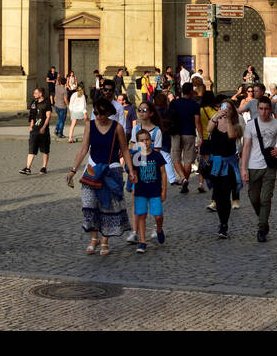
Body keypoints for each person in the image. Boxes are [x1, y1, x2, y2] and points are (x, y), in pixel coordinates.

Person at [67, 99, 135, 255]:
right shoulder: (90, 125)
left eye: (102, 113)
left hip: (111, 170)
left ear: (109, 113)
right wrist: (73, 170)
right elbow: (83, 148)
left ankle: (104, 240)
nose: (98, 116)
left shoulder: (117, 128)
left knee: (107, 207)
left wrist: (131, 171)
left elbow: (125, 150)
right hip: (92, 169)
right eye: (96, 113)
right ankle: (94, 237)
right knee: (89, 204)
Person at [241, 95, 277, 242]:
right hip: (253, 165)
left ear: (270, 110)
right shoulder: (250, 125)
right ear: (257, 109)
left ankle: (262, 228)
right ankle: (263, 219)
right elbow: (246, 147)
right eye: (261, 109)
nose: (263, 112)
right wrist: (243, 168)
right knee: (254, 198)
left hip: (270, 166)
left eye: (266, 109)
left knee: (266, 199)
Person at [202, 95, 243, 239]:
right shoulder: (215, 121)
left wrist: (229, 120)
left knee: (225, 195)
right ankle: (222, 221)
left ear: (232, 111)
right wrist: (216, 116)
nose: (224, 110)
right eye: (222, 107)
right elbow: (208, 129)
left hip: (229, 165)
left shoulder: (236, 124)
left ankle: (224, 224)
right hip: (215, 165)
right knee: (218, 196)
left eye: (228, 108)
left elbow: (231, 136)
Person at [129, 128, 168, 253]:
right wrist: (133, 184)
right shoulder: (136, 156)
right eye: (141, 140)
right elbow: (134, 173)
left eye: (147, 140)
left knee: (158, 215)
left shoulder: (157, 156)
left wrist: (164, 190)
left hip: (155, 190)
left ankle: (159, 229)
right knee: (142, 215)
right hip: (141, 190)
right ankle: (142, 241)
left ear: (151, 141)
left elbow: (163, 173)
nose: (145, 142)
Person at [169, 82, 202, 192]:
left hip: (176, 133)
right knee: (188, 160)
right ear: (191, 92)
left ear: (182, 91)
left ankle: (183, 179)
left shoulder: (174, 103)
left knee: (175, 158)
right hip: (189, 133)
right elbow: (197, 122)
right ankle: (185, 181)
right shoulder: (195, 105)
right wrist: (200, 136)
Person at [21, 87, 53, 175]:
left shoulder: (46, 103)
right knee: (32, 148)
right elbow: (32, 115)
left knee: (45, 149)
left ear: (41, 94)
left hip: (43, 129)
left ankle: (44, 167)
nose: (34, 95)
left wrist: (44, 127)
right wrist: (31, 125)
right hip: (34, 129)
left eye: (35, 93)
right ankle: (28, 168)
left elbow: (48, 116)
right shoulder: (33, 102)